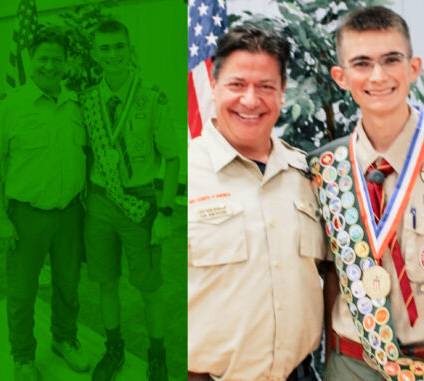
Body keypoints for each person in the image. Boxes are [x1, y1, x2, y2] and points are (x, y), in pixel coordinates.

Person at [187, 24, 325, 381]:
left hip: (300, 373)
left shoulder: (306, 174)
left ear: (282, 94)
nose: (251, 100)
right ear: (214, 88)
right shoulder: (180, 175)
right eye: (237, 85)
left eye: (266, 87)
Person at [309, 7, 424, 380]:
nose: (378, 76)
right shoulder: (323, 168)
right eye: (362, 63)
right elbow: (327, 273)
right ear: (341, 77)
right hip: (352, 363)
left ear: (414, 67)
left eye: (391, 59)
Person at [0, 27, 89, 381]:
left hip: (70, 214)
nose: (50, 66)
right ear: (30, 59)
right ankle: (23, 357)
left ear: (66, 62)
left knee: (68, 286)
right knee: (22, 293)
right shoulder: (12, 106)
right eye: (43, 58)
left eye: (57, 59)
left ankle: (64, 340)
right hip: (26, 216)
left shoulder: (75, 104)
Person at [79, 20, 179, 381]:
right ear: (94, 53)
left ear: (129, 49)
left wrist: (166, 210)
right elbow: (88, 155)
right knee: (105, 281)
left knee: (149, 286)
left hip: (140, 203)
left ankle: (157, 357)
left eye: (118, 47)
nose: (112, 55)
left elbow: (172, 158)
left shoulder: (152, 96)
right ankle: (114, 348)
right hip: (100, 203)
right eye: (104, 48)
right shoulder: (88, 100)